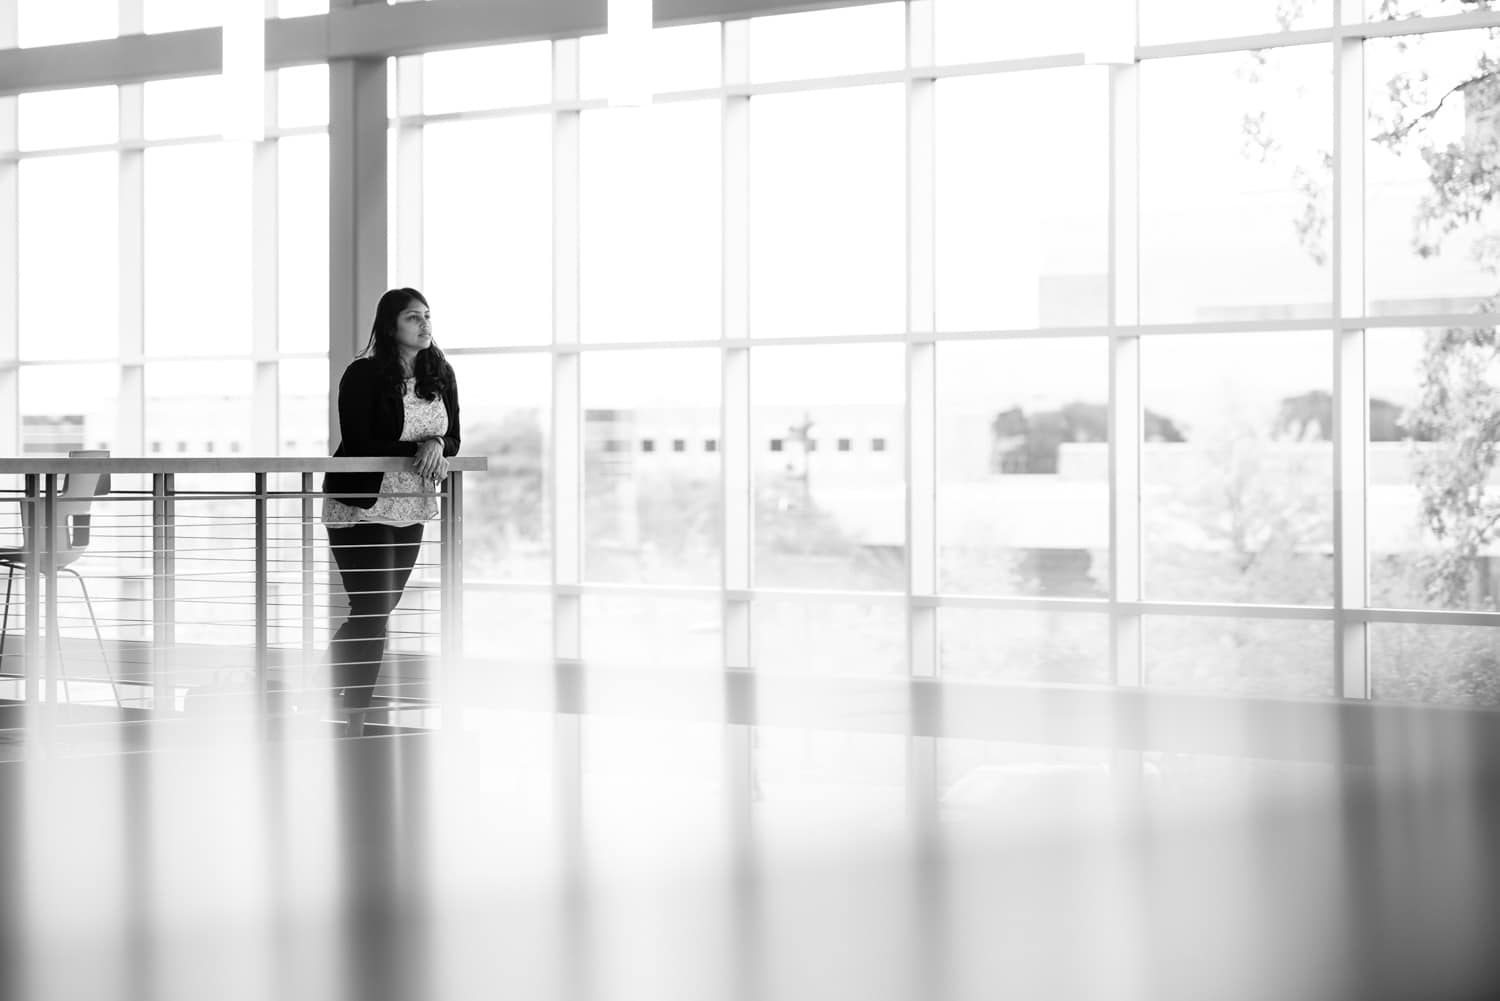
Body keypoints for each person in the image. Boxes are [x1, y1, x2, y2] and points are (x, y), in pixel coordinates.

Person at [321, 287, 460, 735]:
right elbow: (359, 440)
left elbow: (454, 436)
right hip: (362, 505)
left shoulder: (440, 373)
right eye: (412, 318)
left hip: (413, 505)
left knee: (377, 610)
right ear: (390, 325)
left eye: (427, 316)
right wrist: (421, 446)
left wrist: (437, 443)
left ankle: (325, 699)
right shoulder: (362, 374)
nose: (424, 325)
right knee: (373, 607)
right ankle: (352, 712)